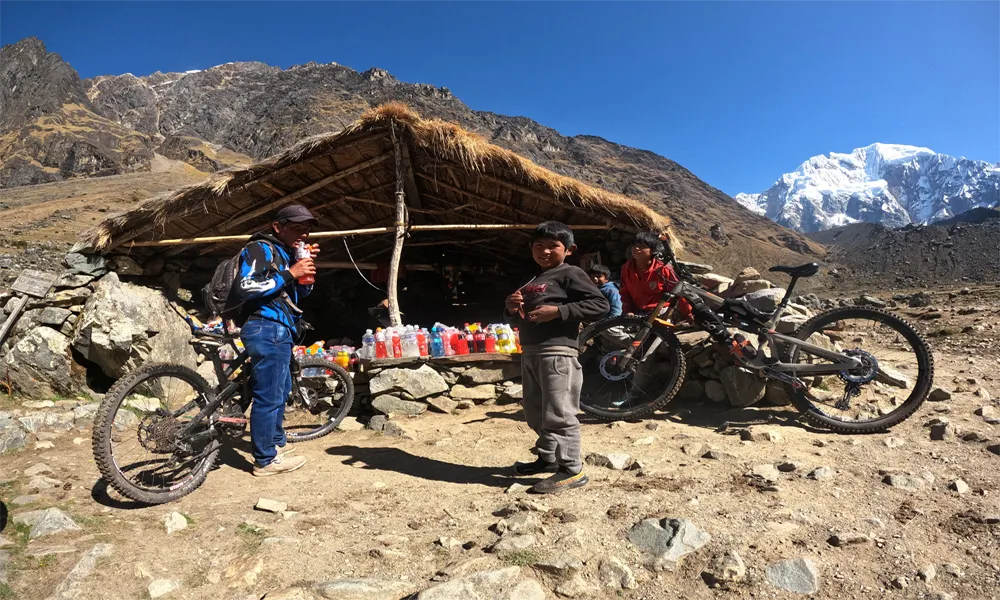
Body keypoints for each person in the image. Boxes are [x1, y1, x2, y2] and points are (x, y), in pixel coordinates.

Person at [505, 222, 609, 493]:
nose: (545, 251)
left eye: (553, 246)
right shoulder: (532, 280)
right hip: (530, 352)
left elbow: (600, 305)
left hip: (557, 352)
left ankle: (572, 469)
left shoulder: (570, 273)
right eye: (539, 246)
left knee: (559, 412)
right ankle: (548, 457)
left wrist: (559, 312)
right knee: (535, 411)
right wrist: (510, 308)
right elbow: (517, 315)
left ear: (569, 249)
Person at [233, 204, 319, 477]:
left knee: (280, 391)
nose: (303, 233)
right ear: (277, 226)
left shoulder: (285, 253)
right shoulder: (259, 248)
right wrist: (290, 273)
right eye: (296, 227)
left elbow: (300, 295)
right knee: (268, 395)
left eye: (306, 229)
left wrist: (303, 273)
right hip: (264, 327)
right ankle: (265, 461)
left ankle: (275, 444)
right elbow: (246, 287)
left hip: (280, 329)